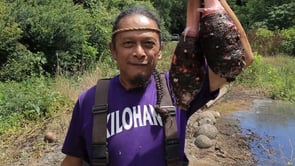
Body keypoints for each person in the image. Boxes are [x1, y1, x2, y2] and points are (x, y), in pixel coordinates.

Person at [61, 4, 253, 166]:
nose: (139, 52)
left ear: (159, 51)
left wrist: (213, 6)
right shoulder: (89, 100)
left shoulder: (178, 87)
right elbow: (72, 160)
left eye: (148, 43)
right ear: (113, 50)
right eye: (128, 43)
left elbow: (242, 57)